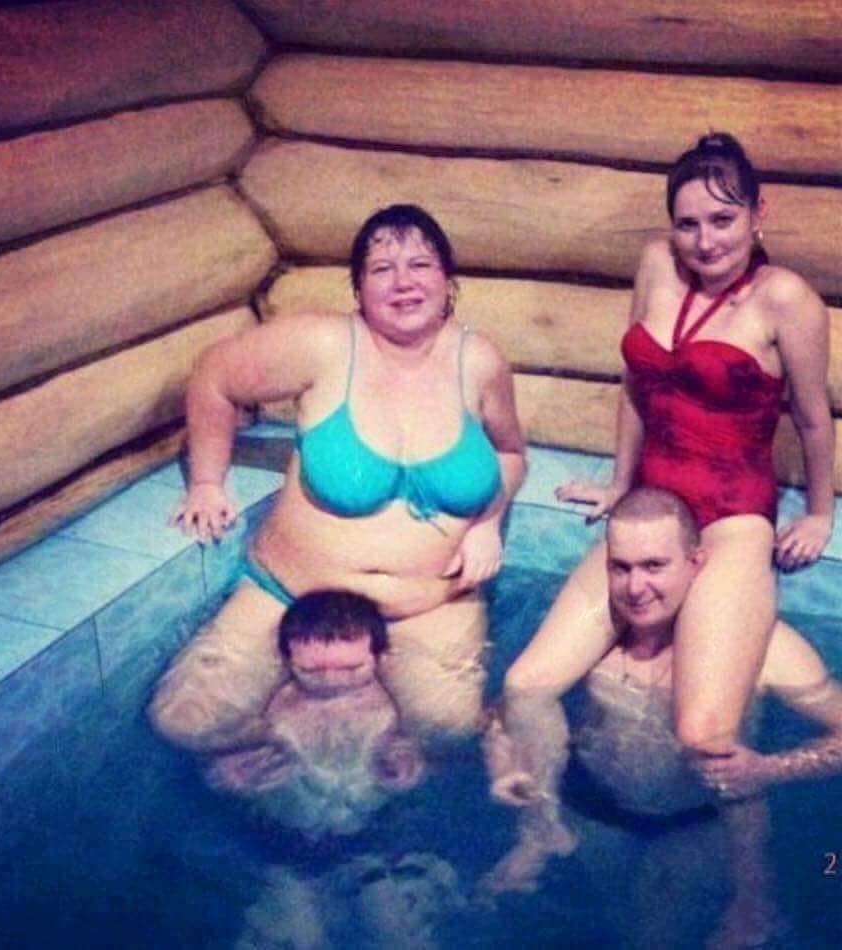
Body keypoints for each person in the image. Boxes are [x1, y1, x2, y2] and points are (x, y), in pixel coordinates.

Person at [499, 132, 834, 780]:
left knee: (702, 733)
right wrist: (620, 483)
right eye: (688, 224)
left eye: (723, 220)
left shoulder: (785, 299)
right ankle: (543, 827)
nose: (705, 242)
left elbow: (814, 420)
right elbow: (637, 382)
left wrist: (818, 514)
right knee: (525, 686)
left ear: (758, 213)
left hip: (732, 519)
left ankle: (766, 792)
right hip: (653, 512)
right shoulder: (657, 263)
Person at [151, 204, 526, 748]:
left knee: (448, 733)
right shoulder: (325, 344)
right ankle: (285, 736)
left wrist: (487, 523)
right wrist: (207, 483)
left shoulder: (479, 361)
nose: (403, 283)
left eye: (420, 265)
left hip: (429, 607)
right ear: (358, 289)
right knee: (186, 722)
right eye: (382, 269)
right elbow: (215, 375)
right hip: (290, 597)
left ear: (448, 281)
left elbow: (510, 452)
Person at [484, 488, 842, 944]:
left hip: (693, 828)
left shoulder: (762, 647)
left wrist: (770, 769)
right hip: (592, 811)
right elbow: (501, 713)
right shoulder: (589, 643)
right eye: (621, 568)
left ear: (695, 563)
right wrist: (506, 771)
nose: (636, 588)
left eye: (654, 566)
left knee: (652, 938)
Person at [205, 590, 425, 839]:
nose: (332, 680)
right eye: (311, 671)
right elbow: (216, 766)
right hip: (280, 831)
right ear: (287, 662)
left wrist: (410, 767)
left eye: (352, 668)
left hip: (376, 824)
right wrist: (230, 775)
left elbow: (435, 757)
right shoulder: (273, 707)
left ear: (379, 658)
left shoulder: (396, 705)